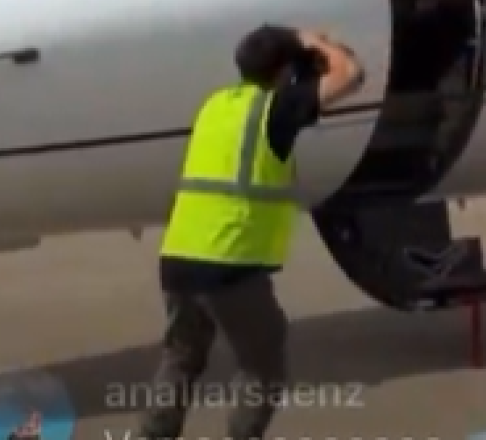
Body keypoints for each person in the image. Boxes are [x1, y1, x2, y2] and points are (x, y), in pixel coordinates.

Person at [137, 25, 363, 440]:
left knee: (182, 358)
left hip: (179, 257)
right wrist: (313, 41)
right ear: (283, 70)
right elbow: (350, 74)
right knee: (263, 365)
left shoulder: (217, 104)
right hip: (230, 263)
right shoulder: (274, 109)